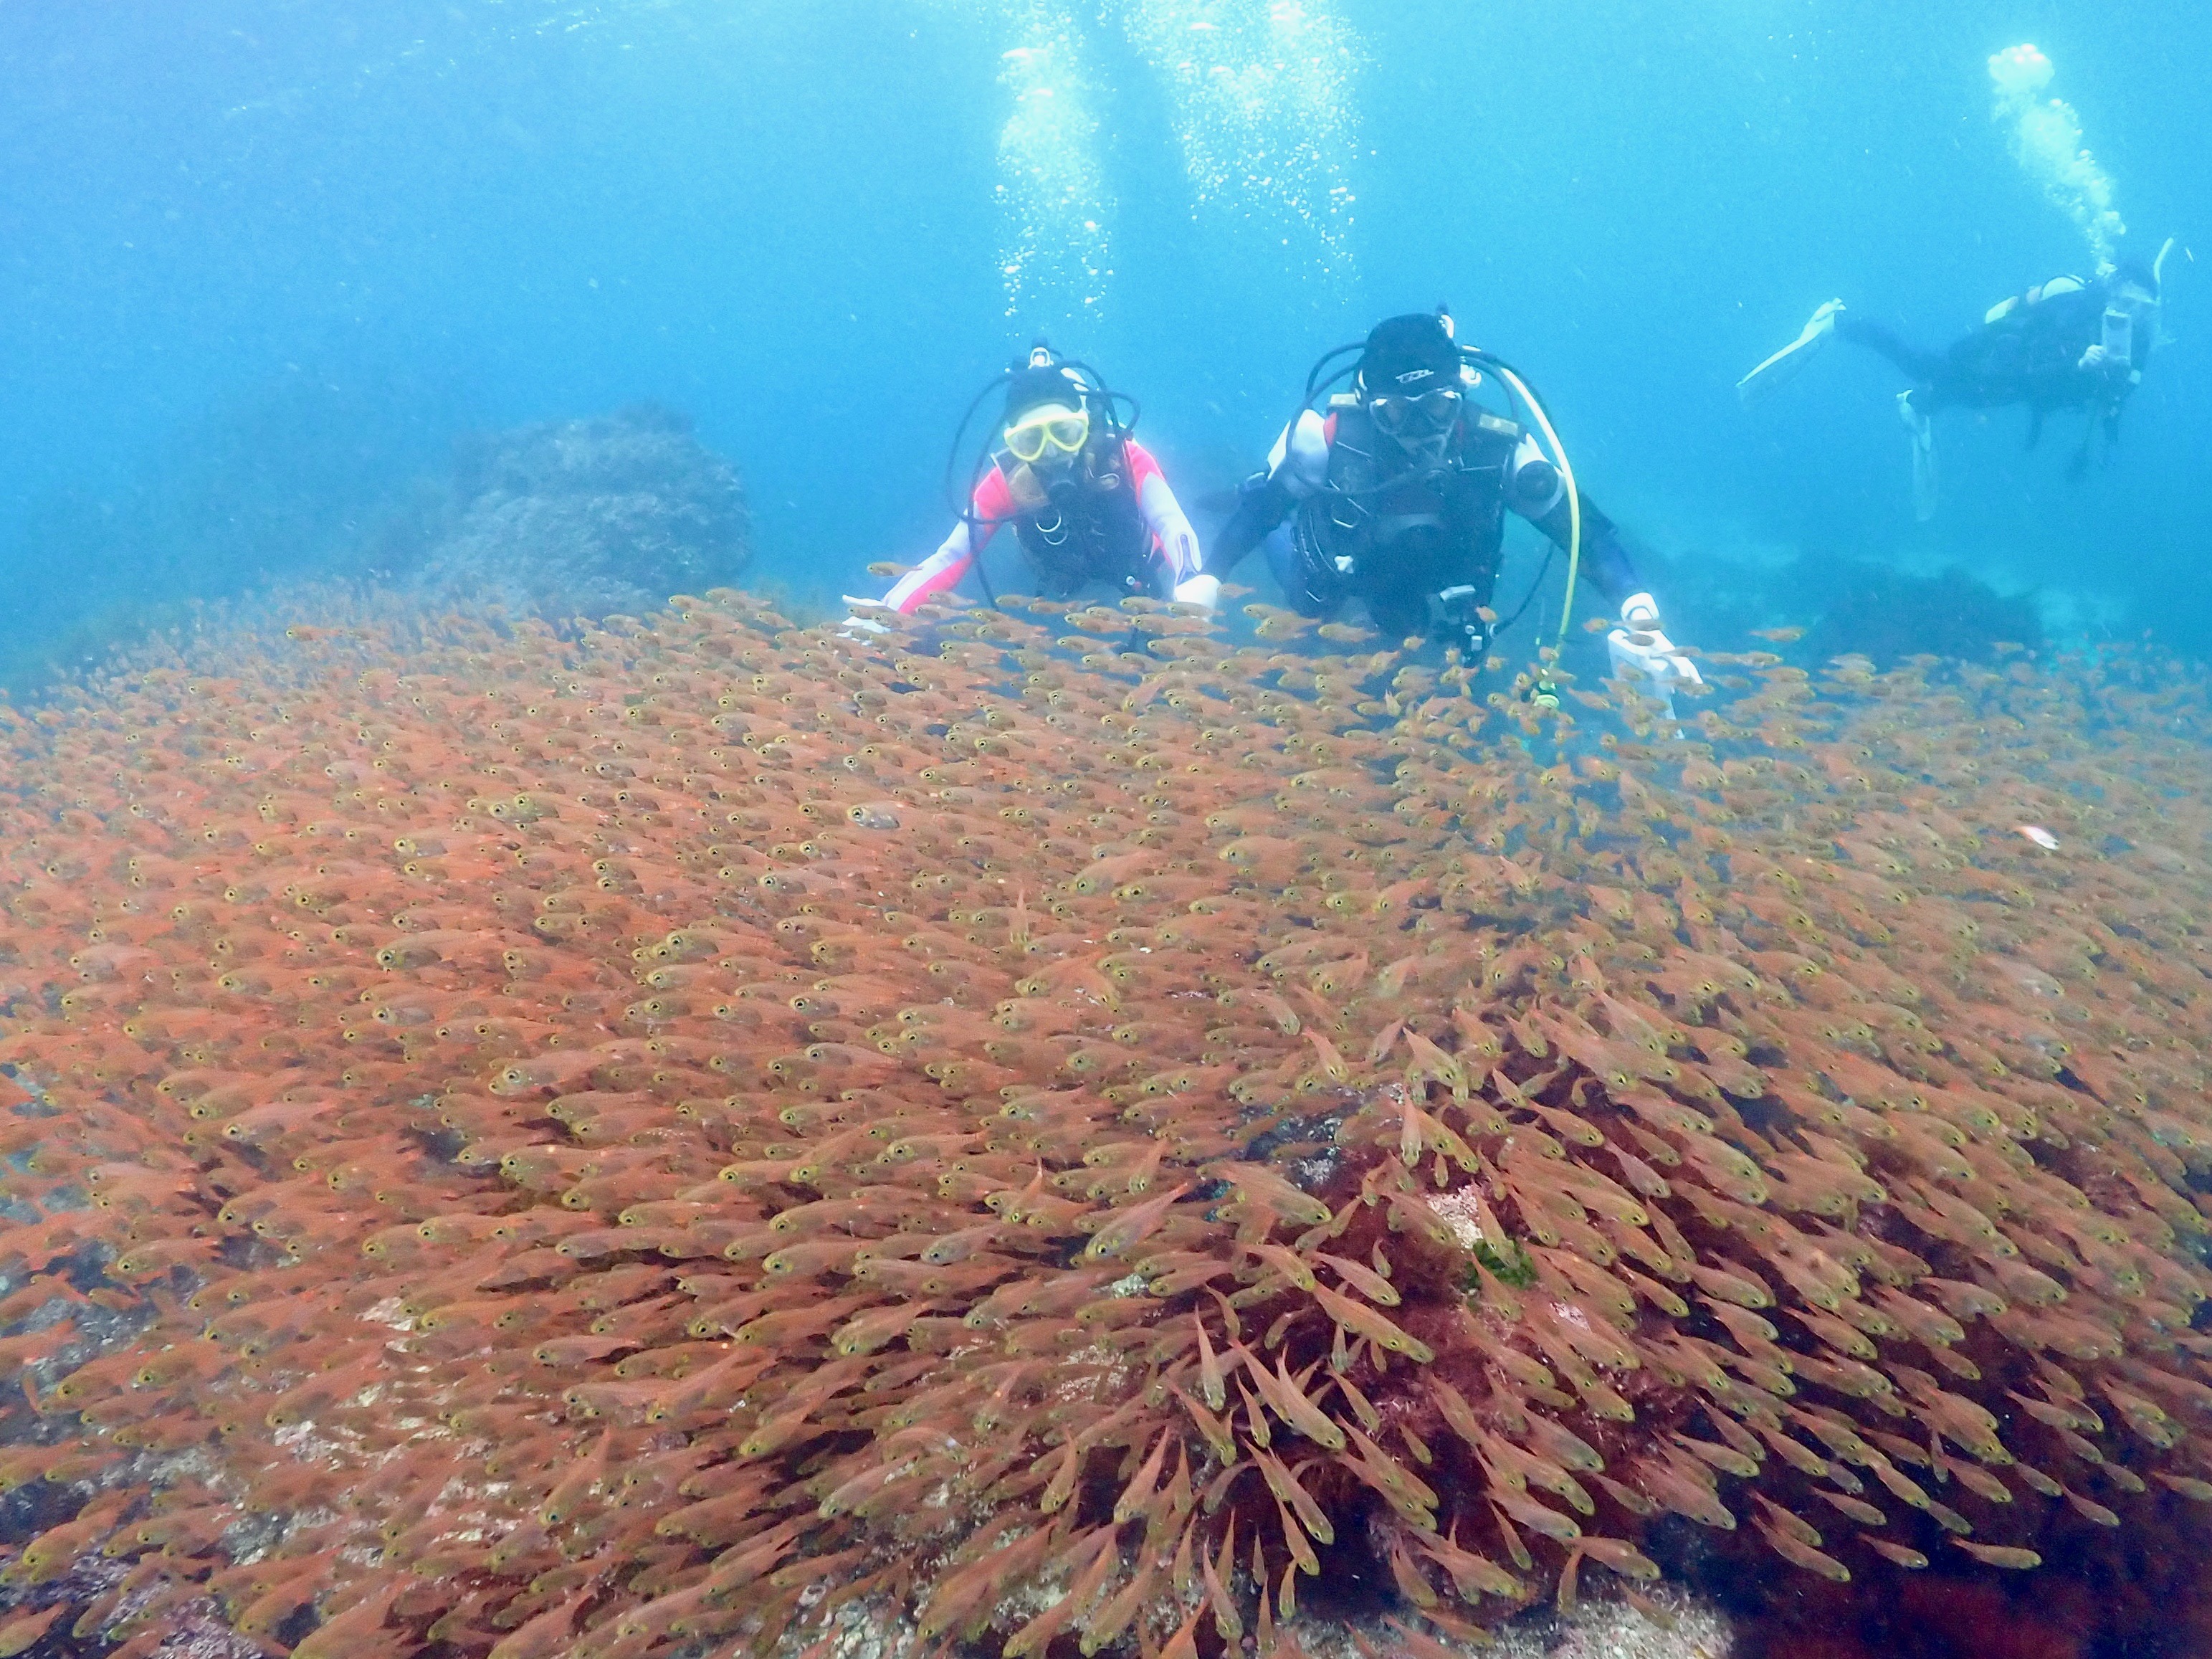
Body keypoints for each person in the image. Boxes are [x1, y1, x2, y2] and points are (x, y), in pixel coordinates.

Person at [1194, 309, 1694, 689]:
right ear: (1371, 406)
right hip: (1342, 572)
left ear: (1460, 394)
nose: (1419, 430)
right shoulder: (1330, 442)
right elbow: (1261, 516)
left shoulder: (1501, 452)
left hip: (1447, 586)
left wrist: (1637, 609)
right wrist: (1211, 576)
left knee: (1439, 640)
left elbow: (1581, 532)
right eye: (1395, 414)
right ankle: (1258, 489)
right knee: (1307, 601)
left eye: (1436, 407)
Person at [1737, 241, 2173, 518]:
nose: (2132, 315)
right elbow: (2027, 348)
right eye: (2126, 301)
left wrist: (2109, 442)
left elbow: (2117, 396)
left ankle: (1917, 405)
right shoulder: (2072, 297)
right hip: (1999, 360)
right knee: (1922, 365)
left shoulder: (2140, 343)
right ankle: (1839, 319)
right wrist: (2077, 365)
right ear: (2112, 288)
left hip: (2017, 388)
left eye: (2143, 309)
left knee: (1970, 399)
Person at [844, 346, 1209, 630]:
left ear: (1085, 427)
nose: (1050, 452)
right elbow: (952, 554)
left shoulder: (1125, 458)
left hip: (1141, 570)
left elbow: (1170, 522)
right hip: (1055, 577)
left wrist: (1190, 578)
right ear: (1013, 444)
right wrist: (885, 615)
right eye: (1031, 440)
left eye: (1064, 433)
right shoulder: (1004, 484)